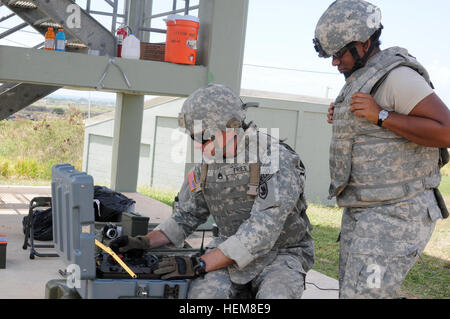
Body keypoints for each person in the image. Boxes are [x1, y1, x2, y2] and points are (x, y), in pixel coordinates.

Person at [110, 83, 314, 299]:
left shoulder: (274, 158)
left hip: (280, 255)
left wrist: (199, 264)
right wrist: (144, 242)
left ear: (230, 127)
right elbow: (186, 216)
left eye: (204, 138)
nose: (199, 146)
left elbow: (262, 231)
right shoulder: (206, 165)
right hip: (225, 251)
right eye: (194, 138)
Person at [313, 0, 450, 299]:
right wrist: (346, 118)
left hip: (397, 213)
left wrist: (382, 115)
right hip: (365, 210)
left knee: (365, 295)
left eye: (339, 54)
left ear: (363, 44)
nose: (335, 62)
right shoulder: (363, 76)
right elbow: (373, 126)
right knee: (354, 293)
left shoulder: (397, 76)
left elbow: (446, 130)